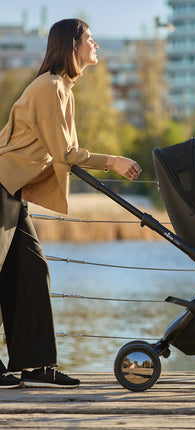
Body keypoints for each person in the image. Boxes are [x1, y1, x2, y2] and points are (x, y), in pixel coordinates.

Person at [0, 19, 142, 389]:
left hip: (12, 190)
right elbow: (64, 152)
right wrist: (111, 160)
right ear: (72, 44)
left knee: (32, 269)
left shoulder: (62, 87)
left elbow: (60, 152)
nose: (96, 45)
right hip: (1, 186)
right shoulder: (48, 87)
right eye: (90, 39)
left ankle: (35, 366)